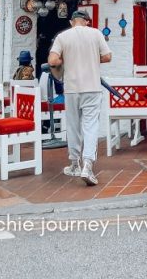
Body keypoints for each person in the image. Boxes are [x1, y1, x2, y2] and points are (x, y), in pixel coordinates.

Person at [48, 9, 111, 186]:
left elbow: (53, 61)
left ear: (71, 21)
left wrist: (64, 61)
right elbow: (107, 56)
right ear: (87, 21)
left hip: (72, 88)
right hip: (91, 87)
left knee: (73, 126)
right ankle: (88, 165)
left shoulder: (63, 37)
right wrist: (91, 58)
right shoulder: (96, 34)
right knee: (90, 126)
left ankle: (74, 164)